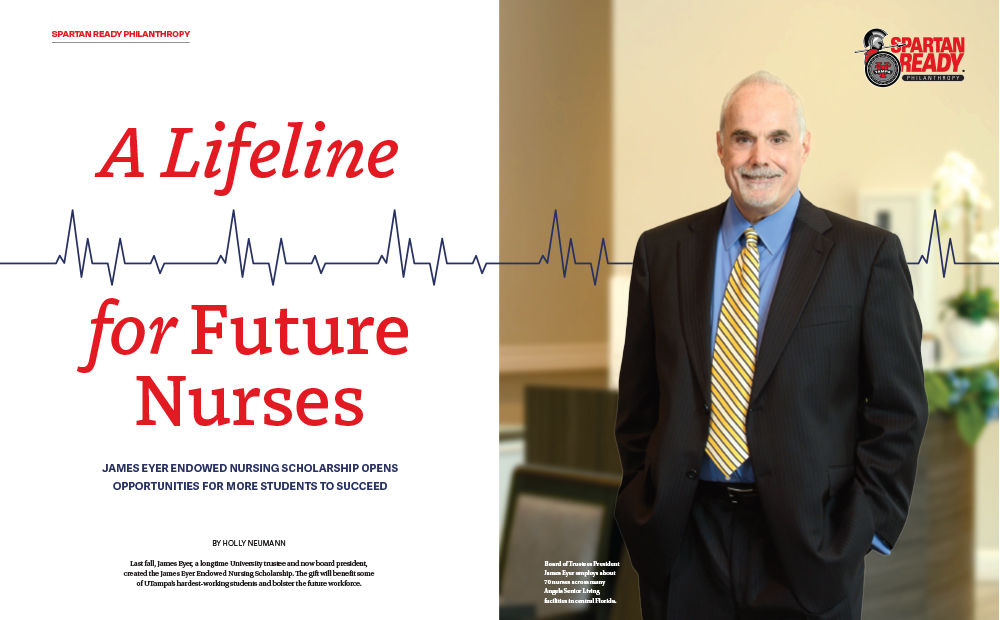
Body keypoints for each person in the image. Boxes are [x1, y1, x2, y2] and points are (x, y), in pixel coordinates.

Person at [613, 71, 927, 619]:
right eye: (743, 138)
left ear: (804, 146)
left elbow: (899, 411)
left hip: (809, 547)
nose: (760, 156)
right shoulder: (662, 252)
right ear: (720, 147)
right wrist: (643, 507)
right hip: (685, 541)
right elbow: (637, 404)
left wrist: (863, 530)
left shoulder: (866, 256)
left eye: (778, 137)